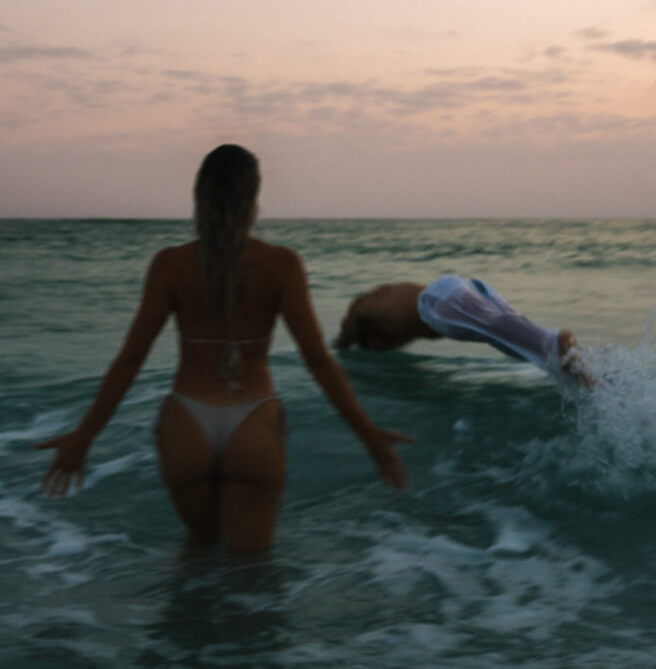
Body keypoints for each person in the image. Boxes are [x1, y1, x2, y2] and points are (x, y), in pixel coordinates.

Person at [36, 145, 411, 552]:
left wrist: (84, 438)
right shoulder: (281, 265)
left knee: (197, 554)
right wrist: (369, 437)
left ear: (200, 194)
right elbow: (318, 361)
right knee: (252, 573)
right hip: (253, 423)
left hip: (186, 424)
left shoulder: (169, 265)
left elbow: (130, 360)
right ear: (253, 197)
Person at [336, 276, 593, 386]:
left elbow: (346, 330)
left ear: (371, 332)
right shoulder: (392, 309)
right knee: (511, 338)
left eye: (370, 345)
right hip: (461, 289)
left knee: (498, 329)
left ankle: (560, 346)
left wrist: (335, 350)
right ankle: (596, 367)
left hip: (439, 299)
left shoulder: (365, 307)